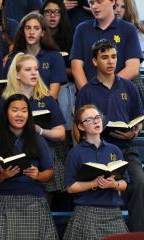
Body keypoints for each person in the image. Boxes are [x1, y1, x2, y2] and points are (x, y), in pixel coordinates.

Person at [75, 39, 144, 231]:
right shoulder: (86, 91)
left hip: (125, 150)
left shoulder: (129, 87)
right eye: (105, 57)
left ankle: (138, 233)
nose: (111, 61)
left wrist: (134, 131)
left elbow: (140, 119)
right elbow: (76, 126)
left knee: (140, 183)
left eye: (113, 57)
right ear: (95, 61)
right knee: (95, 185)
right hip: (96, 152)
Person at [0, 93, 58, 240]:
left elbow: (50, 172)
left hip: (34, 201)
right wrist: (2, 176)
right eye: (14, 110)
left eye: (24, 110)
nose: (19, 114)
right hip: (4, 201)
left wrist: (38, 175)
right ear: (6, 113)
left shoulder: (37, 139)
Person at [0, 53, 67, 200]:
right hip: (14, 155)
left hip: (43, 154)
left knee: (44, 198)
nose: (34, 73)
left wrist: (40, 130)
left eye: (36, 69)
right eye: (28, 70)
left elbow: (61, 133)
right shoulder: (5, 101)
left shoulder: (46, 98)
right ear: (17, 75)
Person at [64, 104, 128, 239]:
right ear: (81, 126)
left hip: (113, 212)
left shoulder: (114, 150)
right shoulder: (75, 153)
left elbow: (124, 183)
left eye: (98, 117)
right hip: (87, 212)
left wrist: (113, 185)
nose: (96, 121)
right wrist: (93, 183)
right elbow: (70, 187)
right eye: (89, 119)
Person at [70, 0, 142, 90]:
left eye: (99, 2)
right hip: (89, 98)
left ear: (113, 2)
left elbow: (133, 68)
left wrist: (105, 90)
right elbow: (76, 66)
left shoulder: (128, 29)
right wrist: (88, 93)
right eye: (91, 3)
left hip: (120, 96)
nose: (94, 6)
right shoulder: (82, 29)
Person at [4, 13, 67, 100]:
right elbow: (10, 90)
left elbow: (53, 95)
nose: (31, 32)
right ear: (22, 31)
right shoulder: (14, 58)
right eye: (28, 28)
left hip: (45, 107)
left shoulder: (55, 57)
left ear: (42, 33)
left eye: (36, 28)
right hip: (20, 107)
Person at [42, 0, 76, 132]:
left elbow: (75, 70)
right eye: (49, 12)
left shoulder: (70, 36)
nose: (52, 15)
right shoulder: (36, 37)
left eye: (57, 12)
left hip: (64, 85)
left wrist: (57, 70)